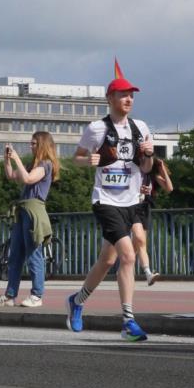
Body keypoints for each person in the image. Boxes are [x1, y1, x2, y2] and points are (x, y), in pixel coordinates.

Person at [66, 71, 154, 342]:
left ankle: (77, 301)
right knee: (128, 256)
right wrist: (88, 161)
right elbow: (76, 158)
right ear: (110, 98)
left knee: (107, 260)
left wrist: (149, 155)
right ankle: (128, 322)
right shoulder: (97, 128)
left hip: (132, 202)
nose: (128, 99)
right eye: (123, 95)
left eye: (131, 96)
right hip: (105, 201)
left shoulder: (141, 128)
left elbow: (146, 168)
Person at [0, 131, 60, 308]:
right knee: (15, 255)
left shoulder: (45, 164)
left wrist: (17, 158)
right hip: (23, 211)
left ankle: (37, 295)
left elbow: (28, 179)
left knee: (33, 254)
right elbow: (12, 175)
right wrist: (7, 159)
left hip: (34, 211)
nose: (31, 146)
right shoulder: (32, 164)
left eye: (34, 143)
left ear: (42, 145)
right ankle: (10, 295)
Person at [133, 157, 173, 286]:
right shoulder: (134, 171)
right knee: (140, 240)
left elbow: (169, 188)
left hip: (144, 209)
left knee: (138, 244)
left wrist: (162, 169)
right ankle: (148, 273)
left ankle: (125, 268)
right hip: (131, 207)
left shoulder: (152, 176)